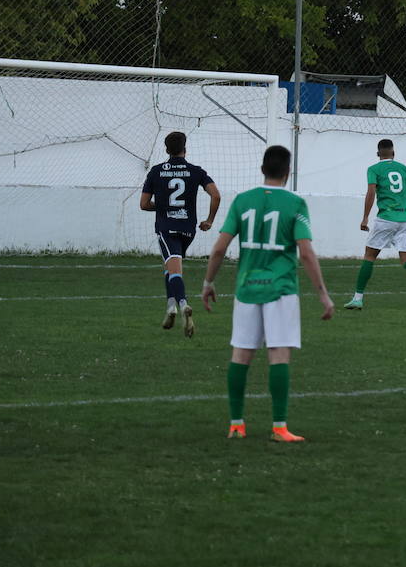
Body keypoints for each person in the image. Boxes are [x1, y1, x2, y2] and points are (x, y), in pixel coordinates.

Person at [202, 144, 334, 443]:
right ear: (288, 172)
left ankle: (236, 424)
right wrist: (323, 294)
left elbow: (220, 248)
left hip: (246, 288)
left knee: (241, 354)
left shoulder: (242, 201)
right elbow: (307, 254)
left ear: (262, 169)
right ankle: (279, 427)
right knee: (278, 353)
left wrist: (208, 283)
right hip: (281, 289)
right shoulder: (295, 204)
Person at [139, 131, 221, 336]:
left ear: (166, 150)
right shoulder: (196, 171)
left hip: (167, 228)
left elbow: (144, 204)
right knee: (171, 266)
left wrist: (162, 207)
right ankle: (170, 307)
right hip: (188, 229)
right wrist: (209, 220)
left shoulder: (156, 172)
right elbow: (216, 195)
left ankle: (183, 304)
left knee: (174, 269)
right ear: (185, 148)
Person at [344, 139, 406, 311]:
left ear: (378, 154)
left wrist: (365, 218)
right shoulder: (403, 168)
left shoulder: (373, 169)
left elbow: (371, 193)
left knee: (370, 256)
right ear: (394, 153)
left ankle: (357, 299)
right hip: (405, 219)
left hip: (386, 218)